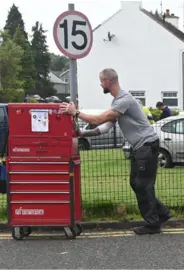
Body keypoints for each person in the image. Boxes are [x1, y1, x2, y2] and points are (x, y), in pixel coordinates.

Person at [59, 68, 172, 235]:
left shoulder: (123, 100)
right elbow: (105, 127)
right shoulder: (118, 102)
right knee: (136, 183)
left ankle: (153, 223)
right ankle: (162, 214)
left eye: (101, 81)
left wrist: (75, 112)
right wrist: (84, 133)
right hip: (141, 147)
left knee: (143, 185)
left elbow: (99, 119)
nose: (100, 84)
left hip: (146, 146)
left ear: (108, 82)